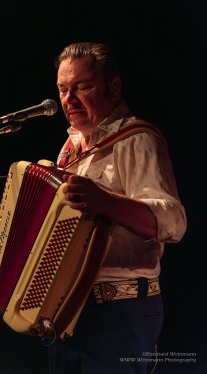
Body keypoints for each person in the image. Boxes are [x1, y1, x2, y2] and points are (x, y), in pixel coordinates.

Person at [47, 42, 187, 374]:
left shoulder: (138, 139)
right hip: (69, 311)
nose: (69, 98)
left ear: (113, 87)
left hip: (121, 311)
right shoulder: (69, 150)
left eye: (82, 86)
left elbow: (174, 221)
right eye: (63, 89)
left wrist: (104, 201)